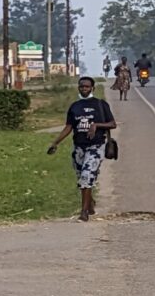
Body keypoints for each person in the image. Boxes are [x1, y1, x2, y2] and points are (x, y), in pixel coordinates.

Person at [48, 74, 117, 221]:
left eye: (86, 86)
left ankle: (84, 212)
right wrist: (56, 142)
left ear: (92, 88)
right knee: (82, 179)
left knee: (87, 176)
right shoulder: (75, 106)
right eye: (81, 86)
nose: (84, 89)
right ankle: (90, 204)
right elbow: (69, 127)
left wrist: (96, 125)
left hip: (96, 145)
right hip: (79, 147)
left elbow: (112, 124)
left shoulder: (100, 104)